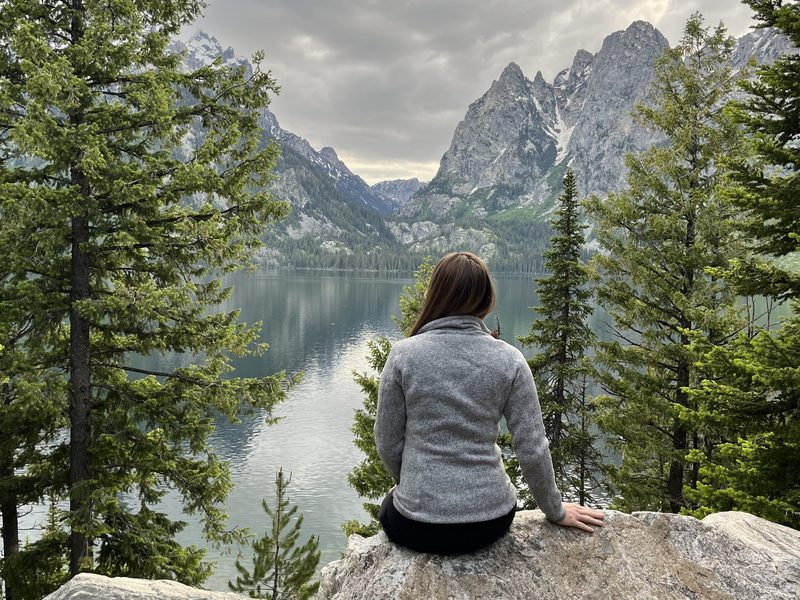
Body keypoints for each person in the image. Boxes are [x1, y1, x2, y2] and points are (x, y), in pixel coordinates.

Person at [374, 251, 604, 555]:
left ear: (434, 295)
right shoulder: (510, 360)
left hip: (416, 525)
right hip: (490, 522)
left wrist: (412, 484)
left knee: (388, 508)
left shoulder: (403, 355)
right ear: (486, 300)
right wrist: (556, 510)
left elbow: (387, 442)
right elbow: (532, 447)